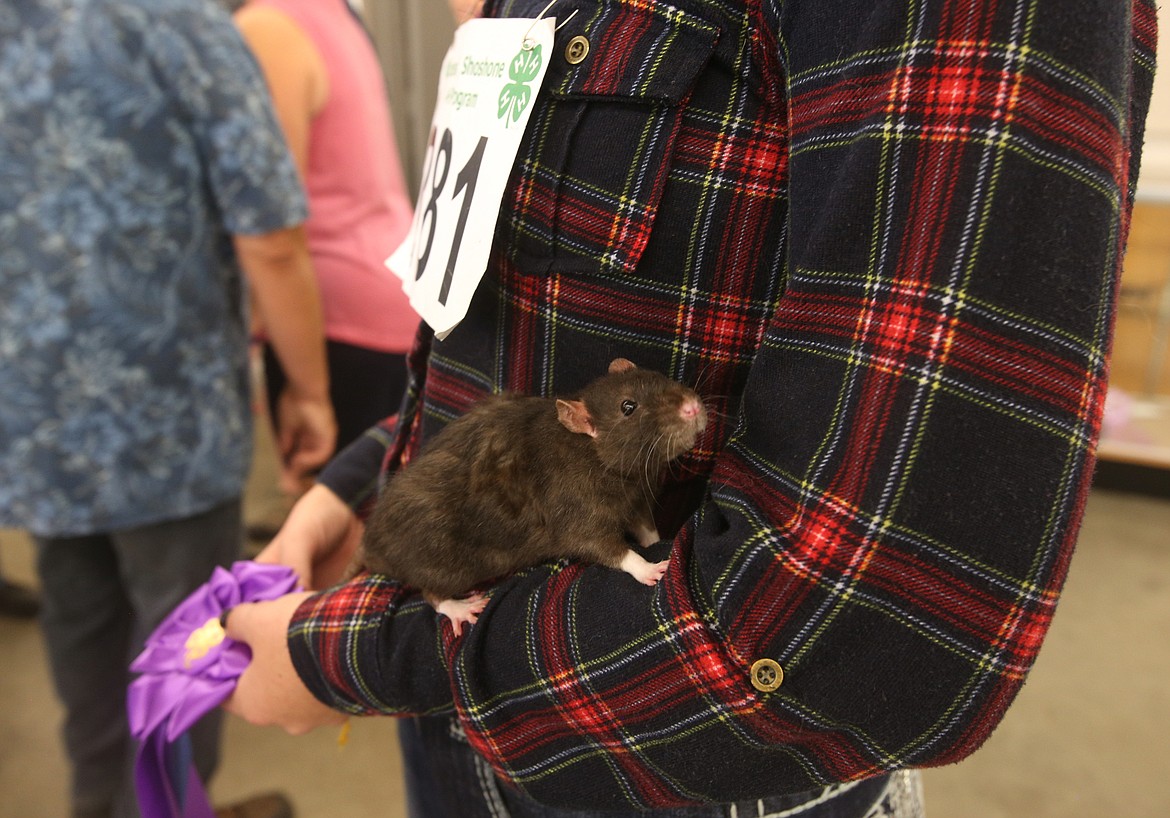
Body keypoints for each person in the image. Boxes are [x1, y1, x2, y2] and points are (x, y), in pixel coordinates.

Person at [223, 0, 1157, 816]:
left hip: (685, 766)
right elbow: (527, 331)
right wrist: (363, 487)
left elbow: (867, 617)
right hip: (464, 706)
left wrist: (357, 658)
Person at [0, 1, 336, 817]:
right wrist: (310, 392)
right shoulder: (182, 25)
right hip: (170, 432)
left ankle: (98, 805)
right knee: (181, 672)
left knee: (83, 653)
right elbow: (271, 240)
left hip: (38, 422)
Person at [234, 0, 420, 497]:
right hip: (391, 297)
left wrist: (307, 390)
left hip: (332, 322)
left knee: (344, 546)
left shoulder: (268, 29)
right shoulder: (334, 13)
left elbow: (271, 231)